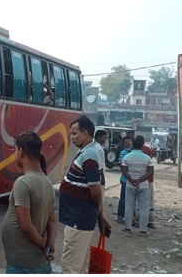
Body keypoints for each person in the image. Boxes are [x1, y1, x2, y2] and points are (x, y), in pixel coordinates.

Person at [59, 115, 111, 274]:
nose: (71, 137)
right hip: (77, 218)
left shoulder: (89, 155)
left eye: (74, 134)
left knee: (70, 267)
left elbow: (95, 190)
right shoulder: (89, 151)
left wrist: (100, 215)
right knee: (74, 263)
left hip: (78, 220)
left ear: (86, 133)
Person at [2, 131, 57, 274]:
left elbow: (26, 226)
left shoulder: (23, 182)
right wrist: (50, 243)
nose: (15, 155)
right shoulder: (48, 183)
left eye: (15, 151)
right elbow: (52, 221)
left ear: (21, 151)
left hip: (23, 266)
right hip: (40, 265)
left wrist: (43, 244)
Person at [121, 136, 154, 237]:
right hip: (143, 185)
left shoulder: (127, 157)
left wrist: (131, 180)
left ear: (133, 145)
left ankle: (128, 228)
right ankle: (143, 230)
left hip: (130, 185)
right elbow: (150, 172)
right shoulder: (147, 158)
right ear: (142, 145)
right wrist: (139, 180)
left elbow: (124, 170)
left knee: (129, 206)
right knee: (144, 208)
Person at [117, 136, 133, 224]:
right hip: (125, 179)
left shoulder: (133, 151)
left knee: (131, 200)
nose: (128, 143)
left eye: (129, 141)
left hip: (133, 179)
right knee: (123, 198)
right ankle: (120, 216)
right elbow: (125, 162)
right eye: (126, 142)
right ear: (124, 145)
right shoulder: (123, 153)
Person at [141, 143, 156, 229]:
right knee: (150, 199)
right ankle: (151, 220)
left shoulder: (134, 152)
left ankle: (138, 219)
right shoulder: (148, 150)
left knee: (138, 201)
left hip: (138, 179)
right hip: (149, 179)